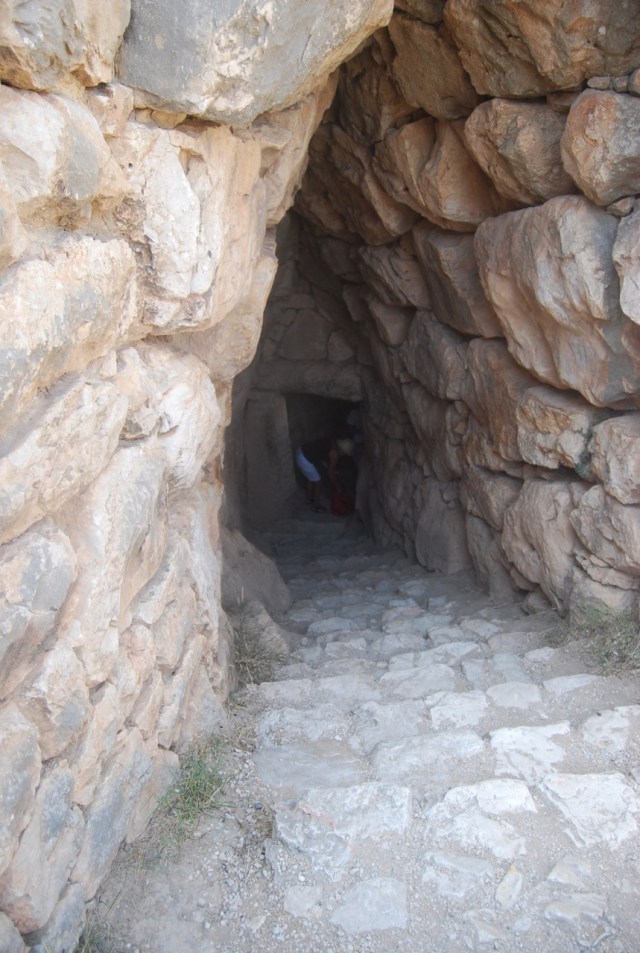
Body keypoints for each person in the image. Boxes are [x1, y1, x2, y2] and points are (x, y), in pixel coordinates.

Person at [295, 436, 354, 511]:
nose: (344, 455)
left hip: (300, 451)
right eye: (345, 454)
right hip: (304, 459)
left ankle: (309, 499)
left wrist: (331, 469)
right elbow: (330, 474)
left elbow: (321, 459)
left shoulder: (331, 443)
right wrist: (338, 487)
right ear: (342, 451)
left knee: (310, 478)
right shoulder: (334, 455)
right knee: (318, 482)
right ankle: (316, 506)